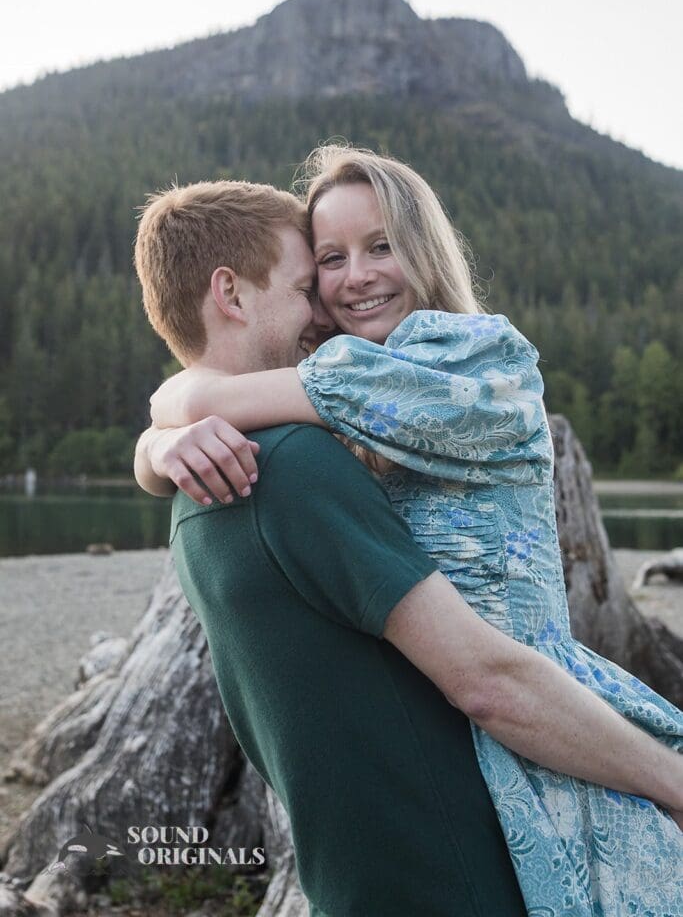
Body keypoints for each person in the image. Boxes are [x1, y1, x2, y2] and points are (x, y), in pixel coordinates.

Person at [134, 173, 683, 917]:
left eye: (382, 246)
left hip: (541, 730)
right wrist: (163, 437)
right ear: (232, 295)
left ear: (424, 250)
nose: (349, 281)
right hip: (483, 774)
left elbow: (196, 394)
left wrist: (163, 435)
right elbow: (483, 682)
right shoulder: (297, 454)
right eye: (322, 267)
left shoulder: (473, 369)